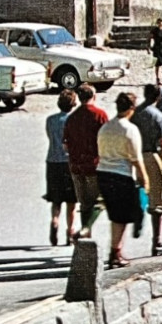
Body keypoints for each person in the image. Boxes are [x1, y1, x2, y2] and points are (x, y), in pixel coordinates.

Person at [96, 90, 148, 269]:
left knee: (115, 215)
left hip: (103, 172)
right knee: (121, 217)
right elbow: (135, 158)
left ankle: (115, 250)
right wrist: (144, 179)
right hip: (121, 174)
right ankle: (115, 253)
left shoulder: (106, 127)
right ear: (131, 108)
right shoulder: (129, 129)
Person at [131, 83, 162, 256]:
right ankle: (156, 242)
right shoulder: (158, 117)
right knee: (157, 201)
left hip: (134, 155)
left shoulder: (133, 114)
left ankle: (137, 217)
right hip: (150, 155)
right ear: (159, 97)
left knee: (140, 190)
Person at [62, 84, 108, 239]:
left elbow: (65, 145)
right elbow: (105, 140)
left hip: (76, 166)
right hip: (94, 165)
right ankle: (85, 229)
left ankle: (86, 238)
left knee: (84, 203)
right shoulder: (100, 115)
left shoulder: (71, 118)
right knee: (99, 201)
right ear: (93, 96)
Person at [43, 89, 79, 245]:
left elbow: (50, 137)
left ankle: (54, 221)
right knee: (72, 201)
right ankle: (70, 231)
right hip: (69, 162)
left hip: (53, 161)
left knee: (56, 199)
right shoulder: (74, 120)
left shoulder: (50, 120)